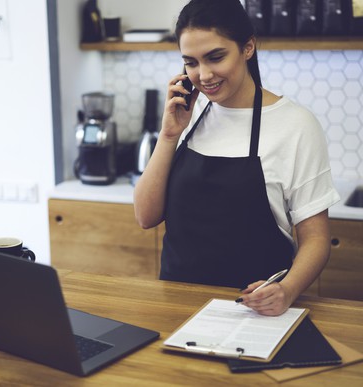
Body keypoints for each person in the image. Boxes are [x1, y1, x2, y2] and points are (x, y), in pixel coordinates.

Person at [133, 0, 340, 316]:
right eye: (190, 62)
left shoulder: (295, 125)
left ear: (248, 47)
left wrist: (286, 290)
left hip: (252, 311)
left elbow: (316, 240)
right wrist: (169, 134)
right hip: (176, 305)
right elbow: (146, 216)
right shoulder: (188, 115)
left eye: (215, 57)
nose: (203, 75)